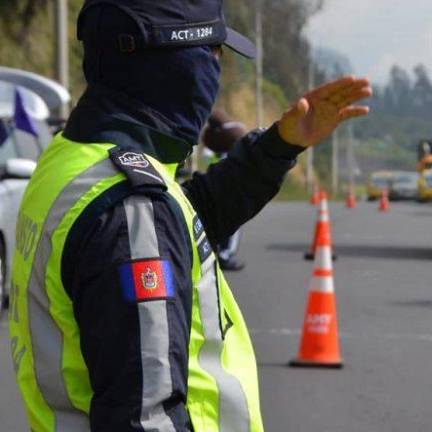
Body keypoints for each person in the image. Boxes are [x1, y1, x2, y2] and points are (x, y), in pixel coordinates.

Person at [8, 1, 371, 431]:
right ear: (173, 63)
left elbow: (186, 223)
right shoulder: (132, 209)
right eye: (213, 54)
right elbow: (148, 418)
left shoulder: (75, 158)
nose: (216, 73)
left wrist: (279, 146)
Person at [202, 109, 248, 271]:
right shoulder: (229, 145)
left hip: (214, 186)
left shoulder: (216, 145)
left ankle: (216, 253)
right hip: (228, 189)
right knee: (233, 224)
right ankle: (225, 255)